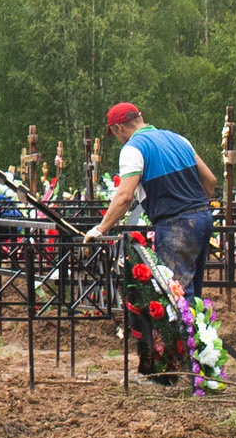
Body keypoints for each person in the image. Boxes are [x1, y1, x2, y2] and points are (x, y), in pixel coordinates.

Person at [87, 103, 218, 298]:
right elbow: (210, 180)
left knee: (177, 296)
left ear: (119, 128)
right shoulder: (179, 139)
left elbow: (125, 197)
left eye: (114, 133)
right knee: (193, 292)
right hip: (203, 219)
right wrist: (195, 207)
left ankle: (183, 320)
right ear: (140, 117)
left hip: (175, 224)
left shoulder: (133, 148)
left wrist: (100, 230)